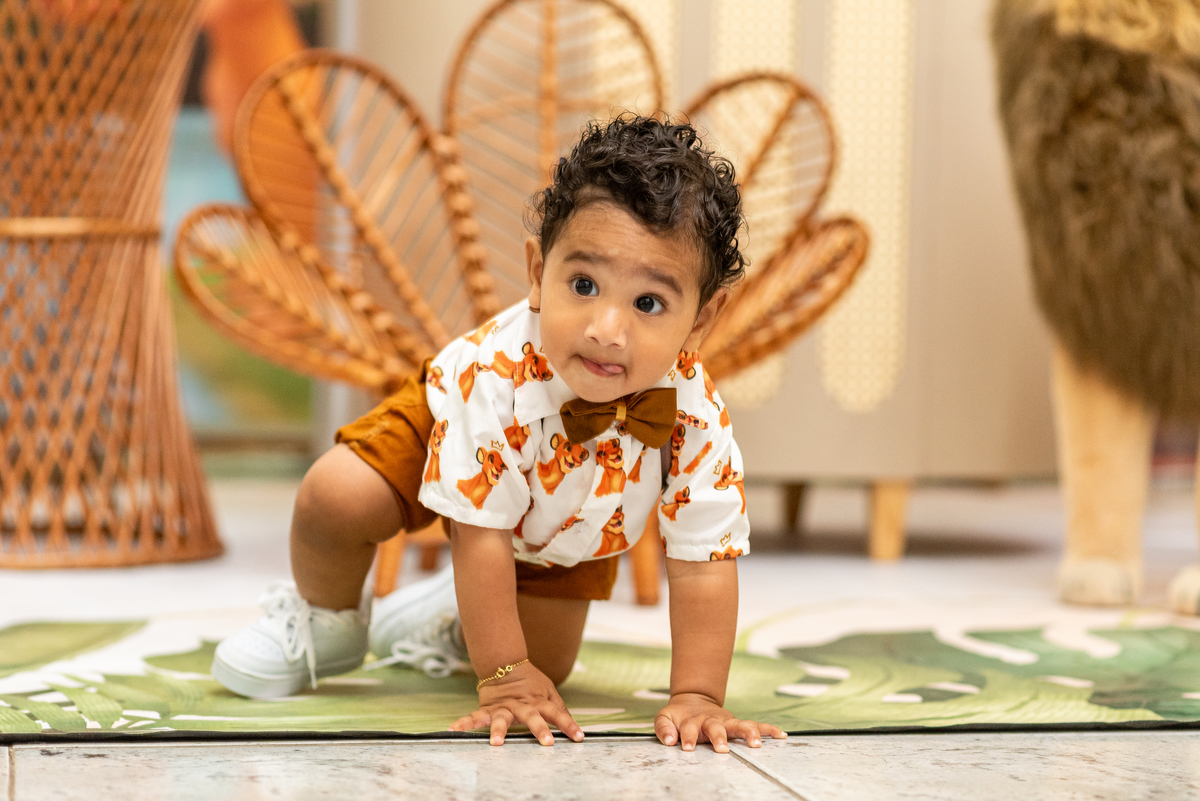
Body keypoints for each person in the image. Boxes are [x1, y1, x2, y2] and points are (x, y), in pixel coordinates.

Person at [211, 115, 787, 753]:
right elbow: (478, 532)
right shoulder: (496, 378)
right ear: (538, 273)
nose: (606, 329)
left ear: (702, 318)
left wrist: (698, 696)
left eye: (648, 303)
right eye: (584, 284)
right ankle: (329, 621)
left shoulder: (695, 415)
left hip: (568, 525)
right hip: (452, 421)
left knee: (548, 665)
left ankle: (452, 620)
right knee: (337, 496)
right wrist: (504, 678)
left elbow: (704, 563)